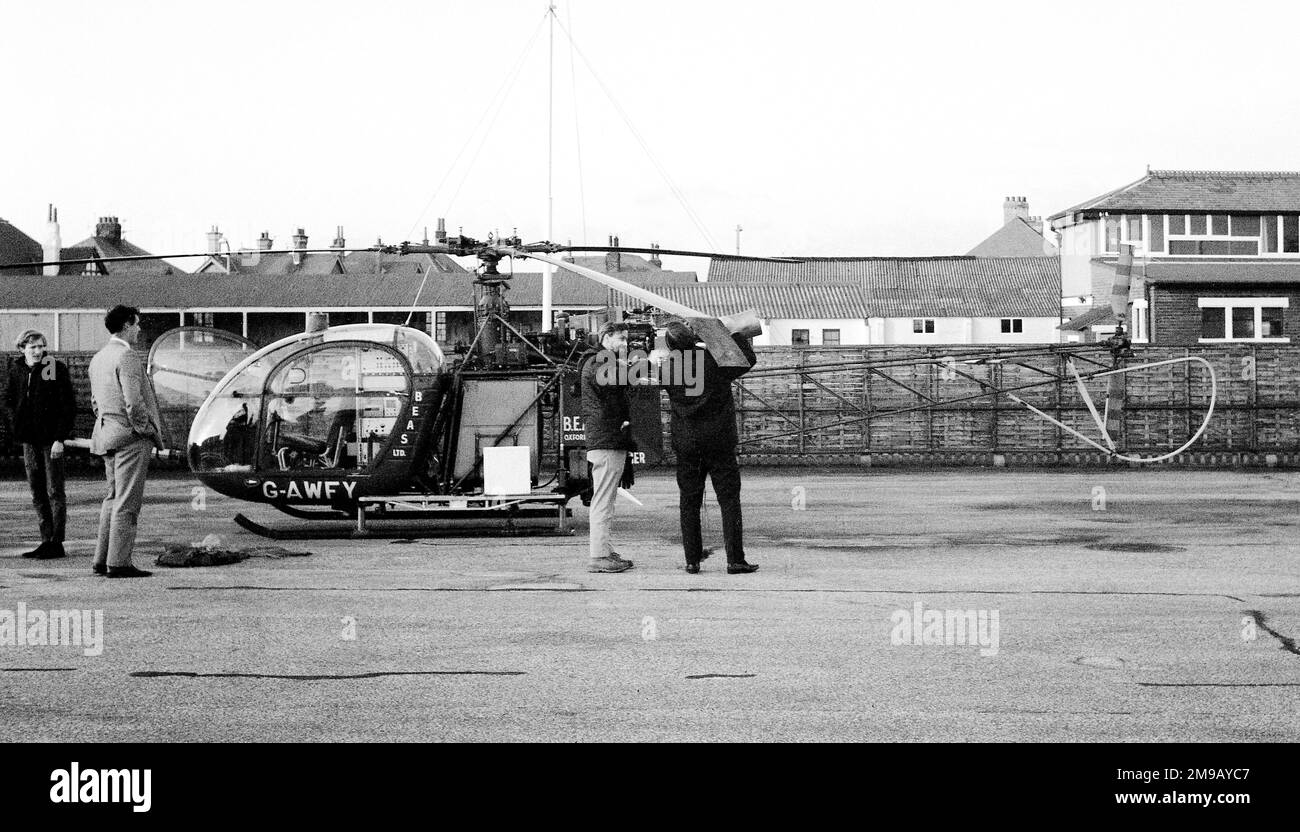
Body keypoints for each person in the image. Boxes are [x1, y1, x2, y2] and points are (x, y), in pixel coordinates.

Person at [663, 321, 759, 574]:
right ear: (694, 339)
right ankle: (735, 560)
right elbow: (748, 359)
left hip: (686, 443)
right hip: (719, 441)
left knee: (689, 502)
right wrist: (729, 334)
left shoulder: (668, 367)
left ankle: (692, 560)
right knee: (729, 501)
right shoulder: (715, 360)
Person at [89, 306, 166, 578]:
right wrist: (144, 430)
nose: (140, 328)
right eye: (137, 323)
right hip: (131, 438)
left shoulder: (98, 358)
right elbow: (134, 402)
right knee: (127, 502)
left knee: (111, 498)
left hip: (107, 435)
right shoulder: (128, 356)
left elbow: (96, 404)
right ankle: (119, 563)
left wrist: (110, 425)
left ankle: (101, 559)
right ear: (125, 325)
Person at [3, 330, 76, 559]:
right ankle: (46, 539)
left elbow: (66, 405)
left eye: (41, 346)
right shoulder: (16, 369)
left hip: (50, 440)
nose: (38, 351)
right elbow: (7, 399)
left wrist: (59, 438)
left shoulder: (52, 367)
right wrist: (16, 424)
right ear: (22, 348)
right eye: (32, 347)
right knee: (37, 489)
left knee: (55, 489)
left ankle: (56, 541)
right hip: (29, 439)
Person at [579, 322, 635, 574]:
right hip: (607, 439)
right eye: (620, 339)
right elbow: (613, 381)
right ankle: (599, 555)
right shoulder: (598, 363)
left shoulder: (599, 362)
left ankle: (604, 550)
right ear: (606, 337)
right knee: (603, 500)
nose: (625, 343)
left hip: (605, 438)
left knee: (606, 499)